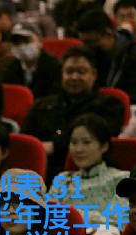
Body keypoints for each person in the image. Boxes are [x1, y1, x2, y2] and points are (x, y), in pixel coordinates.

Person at [21, 45, 125, 182]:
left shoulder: (110, 105)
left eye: (81, 72)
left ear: (94, 75)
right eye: (69, 72)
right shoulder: (42, 105)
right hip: (37, 174)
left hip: (88, 175)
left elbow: (102, 140)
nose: (74, 77)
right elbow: (25, 141)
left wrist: (55, 146)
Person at [48, 113, 129, 235]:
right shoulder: (62, 179)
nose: (78, 149)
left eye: (86, 142)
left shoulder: (121, 179)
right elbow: (48, 216)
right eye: (74, 142)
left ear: (104, 146)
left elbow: (117, 222)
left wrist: (73, 216)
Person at [77, 7, 136, 106]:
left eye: (92, 42)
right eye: (84, 42)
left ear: (109, 34)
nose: (88, 47)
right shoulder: (88, 54)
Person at [2, 21, 63, 99]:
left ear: (40, 42)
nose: (22, 46)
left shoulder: (55, 67)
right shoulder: (10, 68)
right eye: (17, 43)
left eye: (26, 41)